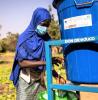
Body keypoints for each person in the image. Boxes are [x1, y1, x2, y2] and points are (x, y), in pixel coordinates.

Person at [10, 7, 65, 100]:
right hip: (26, 79)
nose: (45, 28)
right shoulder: (24, 38)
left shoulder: (45, 38)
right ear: (35, 21)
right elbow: (22, 63)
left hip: (40, 79)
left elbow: (46, 58)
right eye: (43, 24)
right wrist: (46, 62)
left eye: (47, 25)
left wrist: (56, 76)